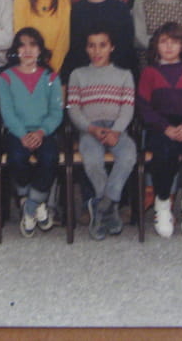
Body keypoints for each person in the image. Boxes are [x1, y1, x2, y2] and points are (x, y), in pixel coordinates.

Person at [137, 22, 182, 238]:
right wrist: (165, 127)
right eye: (164, 42)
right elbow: (143, 107)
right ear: (156, 46)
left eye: (174, 42)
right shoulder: (149, 72)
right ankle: (162, 203)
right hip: (161, 127)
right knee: (163, 154)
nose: (169, 47)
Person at [68, 27, 136, 240]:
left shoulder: (124, 75)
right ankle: (109, 207)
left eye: (102, 45)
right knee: (92, 159)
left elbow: (127, 108)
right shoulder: (78, 74)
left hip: (117, 128)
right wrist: (90, 128)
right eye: (92, 46)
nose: (97, 51)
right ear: (86, 48)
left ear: (112, 47)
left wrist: (116, 130)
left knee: (128, 155)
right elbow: (74, 109)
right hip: (90, 129)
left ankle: (102, 204)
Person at [0, 28, 63, 237]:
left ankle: (30, 204)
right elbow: (7, 112)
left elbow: (56, 112)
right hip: (17, 132)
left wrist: (42, 132)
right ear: (15, 50)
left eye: (33, 45)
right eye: (22, 45)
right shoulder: (5, 77)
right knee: (16, 157)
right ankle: (36, 203)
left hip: (44, 131)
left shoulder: (51, 77)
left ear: (40, 50)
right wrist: (22, 134)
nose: (27, 50)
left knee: (50, 157)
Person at [61, 0, 136, 83]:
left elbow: (127, 50)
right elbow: (74, 51)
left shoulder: (121, 10)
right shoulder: (76, 11)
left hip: (116, 79)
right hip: (85, 79)